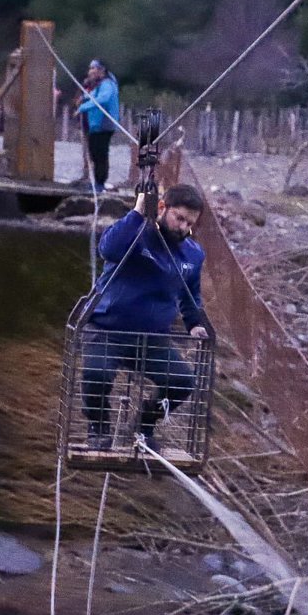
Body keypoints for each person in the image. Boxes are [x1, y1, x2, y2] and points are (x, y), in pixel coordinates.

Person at [80, 184, 209, 452]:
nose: (183, 227)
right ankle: (98, 428)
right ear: (162, 208)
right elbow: (108, 249)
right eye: (179, 218)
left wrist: (194, 323)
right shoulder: (136, 235)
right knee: (96, 373)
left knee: (182, 381)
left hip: (152, 338)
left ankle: (144, 424)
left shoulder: (193, 254)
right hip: (107, 328)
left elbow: (190, 294)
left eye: (189, 223)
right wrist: (138, 213)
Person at [76, 59, 119, 193]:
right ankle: (97, 182)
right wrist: (84, 98)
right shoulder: (99, 85)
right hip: (95, 126)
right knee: (94, 153)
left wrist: (82, 107)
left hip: (104, 125)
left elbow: (102, 99)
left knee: (100, 154)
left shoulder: (108, 84)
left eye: (93, 68)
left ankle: (100, 183)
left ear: (101, 70)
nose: (90, 71)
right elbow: (92, 95)